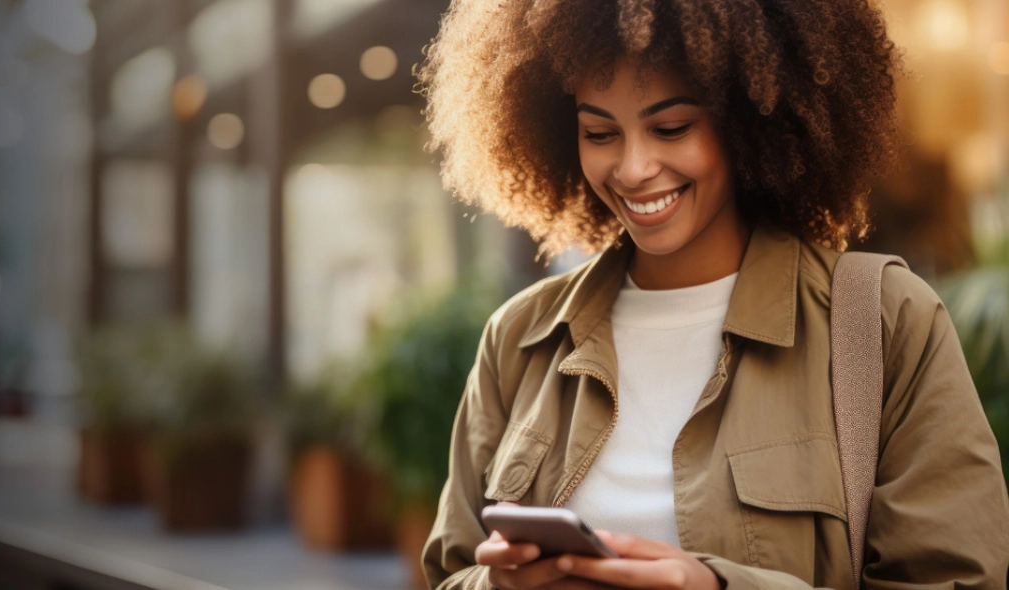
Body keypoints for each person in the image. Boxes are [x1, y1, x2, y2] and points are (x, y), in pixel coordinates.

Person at [416, 1, 1009, 589]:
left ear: (749, 121)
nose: (633, 167)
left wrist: (718, 586)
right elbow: (452, 571)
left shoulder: (882, 321)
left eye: (670, 128)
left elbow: (954, 579)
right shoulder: (520, 339)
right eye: (600, 133)